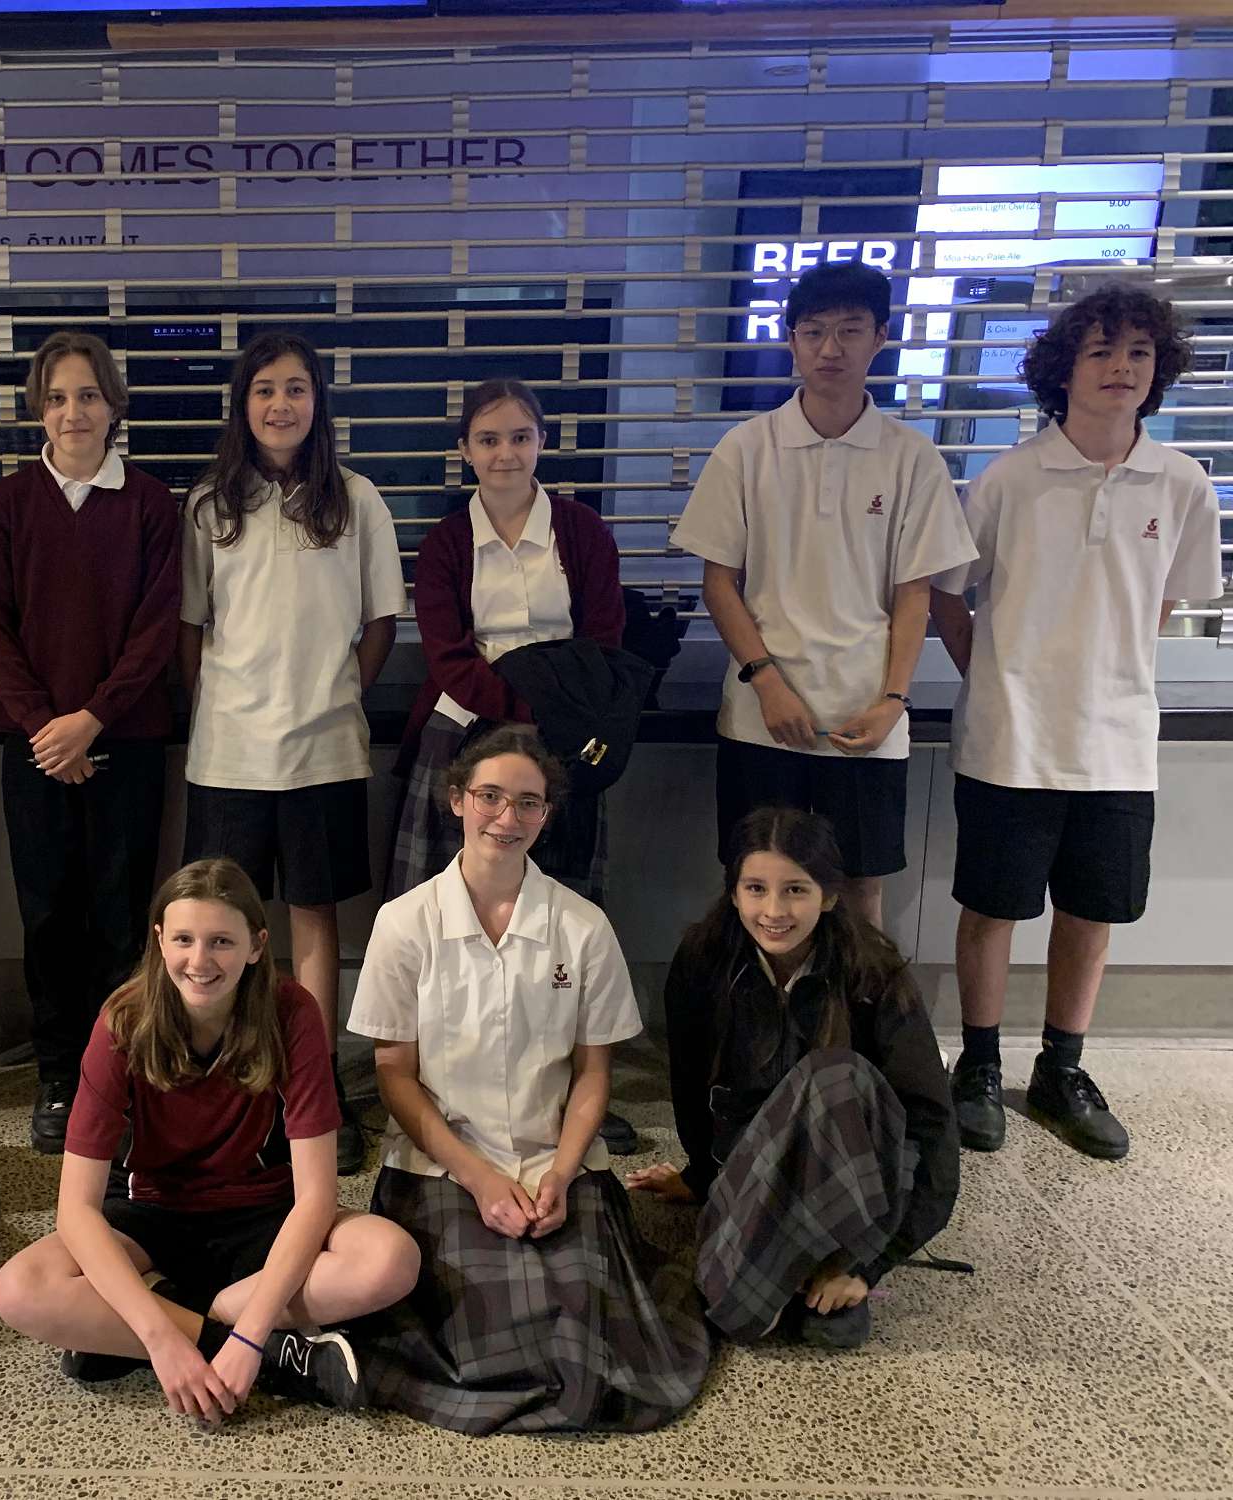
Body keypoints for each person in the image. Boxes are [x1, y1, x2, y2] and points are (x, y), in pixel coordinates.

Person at [929, 285, 1223, 1162]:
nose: (1120, 367)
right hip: (1008, 738)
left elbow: (1163, 606)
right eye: (1100, 351)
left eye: (1138, 352)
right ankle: (979, 1066)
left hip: (1119, 744)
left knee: (1092, 912)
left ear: (1159, 369)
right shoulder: (1009, 479)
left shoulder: (1182, 482)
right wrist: (993, 676)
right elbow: (947, 595)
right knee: (992, 907)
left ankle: (1062, 1068)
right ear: (1063, 370)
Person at [348, 726, 707, 1433]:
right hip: (441, 1164)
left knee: (586, 1327)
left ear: (547, 815)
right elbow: (394, 1075)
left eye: (528, 803)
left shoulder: (583, 927)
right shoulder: (403, 923)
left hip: (557, 1161)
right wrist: (481, 1179)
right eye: (490, 796)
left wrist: (563, 1174)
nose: (506, 817)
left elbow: (593, 1074)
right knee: (489, 1325)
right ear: (457, 799)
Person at [0, 857, 420, 1422]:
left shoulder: (292, 1011)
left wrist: (247, 1333)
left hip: (264, 1216)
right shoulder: (123, 1021)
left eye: (221, 941)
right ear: (159, 940)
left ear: (257, 946)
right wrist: (163, 1341)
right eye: (184, 940)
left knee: (392, 1259)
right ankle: (280, 1359)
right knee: (19, 1288)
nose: (199, 961)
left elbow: (316, 1199)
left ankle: (149, 1324)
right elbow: (75, 1209)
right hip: (149, 1215)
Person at [672, 260, 977, 928]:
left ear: (881, 337)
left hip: (866, 718)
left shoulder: (911, 458)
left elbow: (915, 595)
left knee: (860, 890)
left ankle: (854, 1003)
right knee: (754, 884)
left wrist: (893, 700)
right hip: (762, 716)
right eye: (813, 332)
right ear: (791, 341)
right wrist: (766, 681)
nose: (830, 348)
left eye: (850, 330)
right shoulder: (747, 449)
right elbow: (719, 582)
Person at [393, 377, 640, 1156]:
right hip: (467, 734)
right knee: (452, 916)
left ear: (543, 442)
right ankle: (437, 1086)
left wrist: (551, 722)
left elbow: (604, 638)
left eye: (520, 437)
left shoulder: (583, 531)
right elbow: (447, 654)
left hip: (567, 744)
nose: (506, 453)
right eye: (489, 439)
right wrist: (521, 716)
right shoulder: (445, 541)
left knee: (561, 918)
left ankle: (569, 1088)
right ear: (465, 450)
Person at [179, 331, 406, 1173]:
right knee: (223, 924)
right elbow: (191, 628)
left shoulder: (356, 499)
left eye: (297, 389)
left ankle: (313, 1083)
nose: (281, 404)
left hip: (324, 748)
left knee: (315, 915)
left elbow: (380, 622)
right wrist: (218, 706)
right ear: (242, 404)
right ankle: (232, 1076)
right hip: (228, 753)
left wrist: (336, 691)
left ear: (319, 401)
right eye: (265, 389)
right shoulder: (211, 504)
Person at [628, 807, 959, 1351]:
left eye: (796, 890)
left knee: (833, 1075)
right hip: (761, 1172)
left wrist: (870, 1265)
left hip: (854, 1177)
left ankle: (835, 1263)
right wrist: (701, 1178)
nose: (774, 911)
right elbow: (690, 1087)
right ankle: (791, 1270)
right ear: (733, 893)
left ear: (828, 897)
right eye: (756, 888)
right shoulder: (702, 960)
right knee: (728, 1308)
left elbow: (931, 1123)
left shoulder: (874, 973)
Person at [0, 330, 181, 1153]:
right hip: (34, 751)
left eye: (88, 396)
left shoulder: (151, 503)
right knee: (48, 915)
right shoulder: (7, 504)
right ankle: (60, 1075)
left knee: (122, 914)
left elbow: (157, 629)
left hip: (126, 741)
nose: (73, 413)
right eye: (58, 398)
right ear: (38, 408)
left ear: (114, 406)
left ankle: (123, 1069)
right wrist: (44, 728)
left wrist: (92, 719)